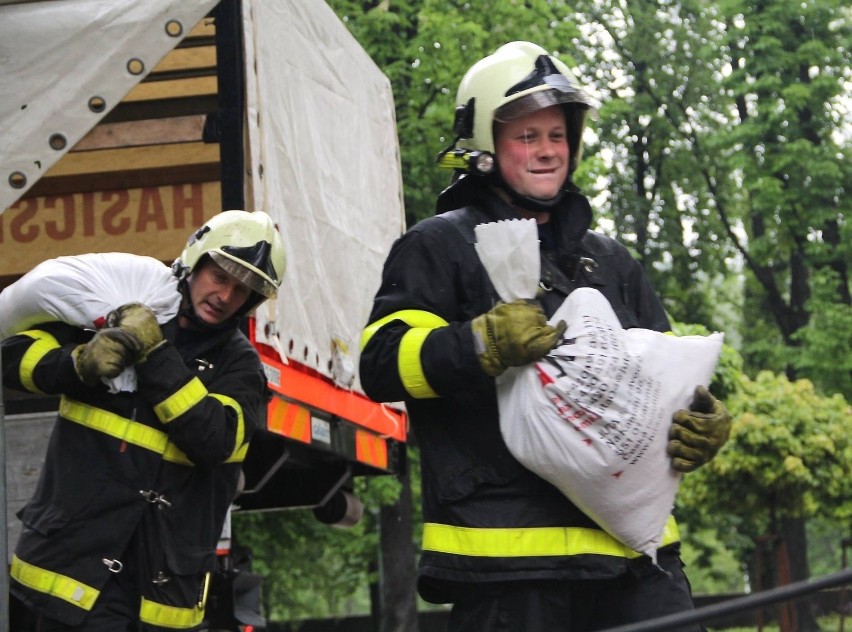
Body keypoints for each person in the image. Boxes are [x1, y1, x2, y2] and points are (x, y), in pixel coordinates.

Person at [358, 41, 732, 631]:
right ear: (484, 146)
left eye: (557, 135)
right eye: (526, 136)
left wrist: (701, 424)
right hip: (510, 565)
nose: (547, 151)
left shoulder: (608, 260)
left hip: (636, 559)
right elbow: (380, 363)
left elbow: (663, 378)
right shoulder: (440, 246)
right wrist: (479, 344)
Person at [3, 210, 286, 631]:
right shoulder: (121, 310)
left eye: (243, 290)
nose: (226, 295)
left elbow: (214, 439)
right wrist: (75, 365)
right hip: (69, 577)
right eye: (220, 277)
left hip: (156, 595)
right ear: (194, 261)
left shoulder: (241, 367)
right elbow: (10, 356)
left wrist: (155, 354)